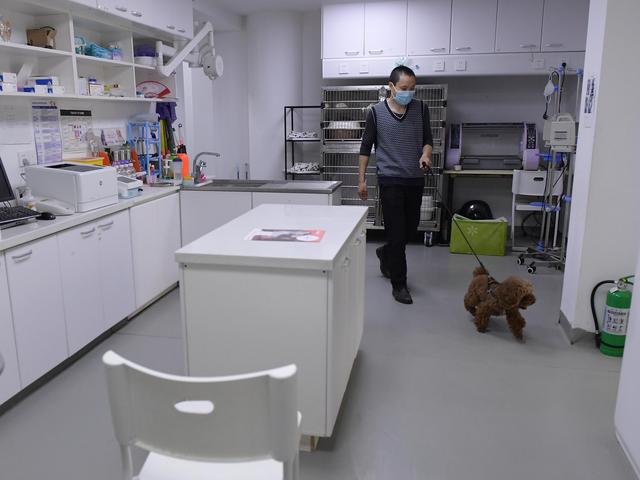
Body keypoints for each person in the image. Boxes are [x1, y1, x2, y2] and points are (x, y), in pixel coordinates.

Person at [358, 66, 433, 304]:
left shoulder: (421, 109)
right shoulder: (376, 112)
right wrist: (361, 180)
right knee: (398, 234)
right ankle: (399, 285)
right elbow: (365, 147)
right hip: (390, 180)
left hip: (415, 178)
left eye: (412, 88)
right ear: (391, 86)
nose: (408, 92)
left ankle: (385, 252)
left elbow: (428, 140)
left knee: (409, 231)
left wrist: (426, 155)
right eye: (404, 88)